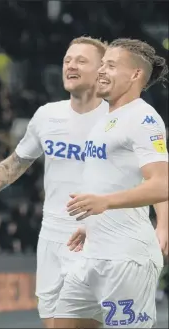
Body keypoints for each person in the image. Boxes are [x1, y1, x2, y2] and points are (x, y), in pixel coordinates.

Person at [0, 36, 109, 328]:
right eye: (68, 59)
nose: (71, 65)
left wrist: (160, 225)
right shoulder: (47, 116)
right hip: (51, 238)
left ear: (102, 70)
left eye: (82, 60)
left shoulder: (117, 120)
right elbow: (14, 165)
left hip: (93, 238)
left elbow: (152, 177)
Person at [54, 38, 169, 329]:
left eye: (111, 65)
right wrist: (93, 222)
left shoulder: (144, 119)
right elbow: (115, 179)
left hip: (126, 259)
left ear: (135, 75)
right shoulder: (105, 120)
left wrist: (106, 204)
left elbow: (161, 184)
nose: (101, 71)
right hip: (92, 254)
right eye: (102, 64)